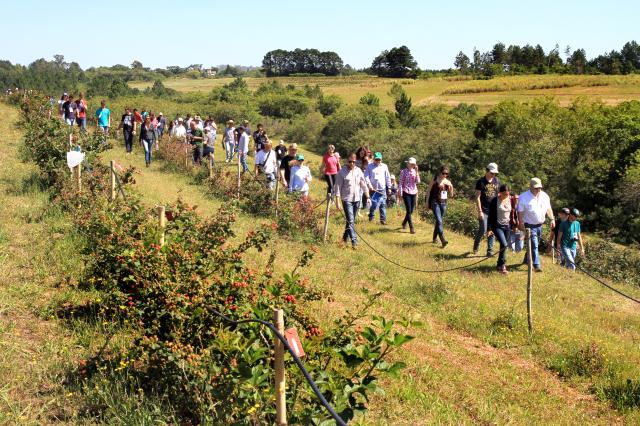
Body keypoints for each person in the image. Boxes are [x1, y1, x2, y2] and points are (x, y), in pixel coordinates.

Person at [517, 177, 555, 272]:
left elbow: (548, 209)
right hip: (529, 225)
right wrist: (520, 223)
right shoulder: (523, 197)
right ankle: (536, 265)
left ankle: (526, 259)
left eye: (539, 188)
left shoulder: (545, 196)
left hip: (539, 225)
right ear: (530, 187)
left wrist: (552, 219)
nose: (538, 190)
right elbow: (520, 212)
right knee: (534, 245)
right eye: (536, 188)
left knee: (534, 244)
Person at [334, 153, 370, 249]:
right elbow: (337, 187)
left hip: (357, 199)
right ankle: (354, 242)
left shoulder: (359, 171)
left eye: (354, 162)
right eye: (350, 161)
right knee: (350, 220)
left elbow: (363, 184)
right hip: (346, 199)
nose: (352, 164)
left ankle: (344, 239)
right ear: (347, 161)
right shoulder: (341, 172)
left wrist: (368, 197)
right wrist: (337, 201)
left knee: (350, 221)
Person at [473, 163, 501, 256]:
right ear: (487, 170)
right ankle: (476, 246)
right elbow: (477, 197)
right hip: (484, 210)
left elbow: (498, 195)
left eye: (495, 173)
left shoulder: (497, 181)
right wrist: (480, 211)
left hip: (494, 211)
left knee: (492, 230)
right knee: (483, 230)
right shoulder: (480, 181)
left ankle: (490, 251)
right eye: (492, 173)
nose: (493, 175)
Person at [489, 184, 512, 274]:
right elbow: (490, 215)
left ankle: (499, 265)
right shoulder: (495, 201)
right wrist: (489, 229)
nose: (506, 196)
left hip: (507, 226)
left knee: (503, 246)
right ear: (500, 193)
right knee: (504, 244)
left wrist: (515, 225)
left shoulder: (511, 199)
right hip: (497, 226)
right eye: (504, 194)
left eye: (507, 194)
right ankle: (503, 265)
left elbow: (513, 211)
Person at [427, 165, 454, 245]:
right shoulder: (435, 179)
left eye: (446, 174)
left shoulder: (447, 182)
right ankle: (442, 239)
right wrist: (426, 202)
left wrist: (451, 187)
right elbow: (428, 191)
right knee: (439, 220)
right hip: (434, 202)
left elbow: (451, 195)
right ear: (440, 172)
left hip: (443, 203)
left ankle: (434, 238)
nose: (444, 175)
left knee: (439, 221)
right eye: (443, 173)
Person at [365, 152, 391, 225]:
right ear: (374, 159)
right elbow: (366, 177)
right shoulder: (369, 166)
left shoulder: (384, 166)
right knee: (374, 204)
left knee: (382, 204)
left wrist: (389, 187)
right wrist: (370, 186)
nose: (378, 161)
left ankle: (383, 220)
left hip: (382, 189)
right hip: (373, 189)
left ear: (381, 159)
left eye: (379, 159)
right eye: (376, 159)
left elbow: (387, 177)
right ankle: (371, 217)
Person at [398, 157, 421, 234]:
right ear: (407, 164)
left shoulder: (415, 171)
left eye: (413, 164)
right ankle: (411, 227)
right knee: (408, 210)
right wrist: (400, 193)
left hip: (414, 191)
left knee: (411, 210)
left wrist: (417, 171)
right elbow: (400, 183)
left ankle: (404, 222)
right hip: (406, 191)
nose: (411, 165)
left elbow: (418, 181)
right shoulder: (403, 172)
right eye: (410, 164)